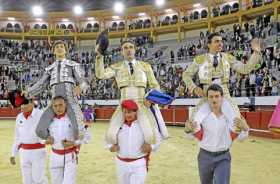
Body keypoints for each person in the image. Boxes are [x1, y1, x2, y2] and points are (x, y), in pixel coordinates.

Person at [95, 40, 168, 146]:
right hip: (124, 104)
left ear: (134, 50)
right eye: (125, 48)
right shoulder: (116, 67)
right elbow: (101, 75)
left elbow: (155, 85)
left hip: (142, 103)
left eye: (130, 47)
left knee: (150, 137)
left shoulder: (145, 66)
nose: (128, 50)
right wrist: (99, 58)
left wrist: (151, 100)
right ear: (121, 52)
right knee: (110, 137)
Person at [183, 32, 261, 119]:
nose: (220, 44)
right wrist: (194, 87)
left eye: (221, 41)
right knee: (193, 123)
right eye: (216, 41)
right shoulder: (200, 59)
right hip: (206, 93)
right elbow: (186, 74)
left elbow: (245, 69)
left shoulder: (228, 57)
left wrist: (256, 53)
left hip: (224, 93)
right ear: (209, 44)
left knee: (237, 120)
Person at [24, 40, 89, 140]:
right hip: (54, 103)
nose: (59, 48)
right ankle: (57, 144)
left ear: (65, 50)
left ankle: (73, 150)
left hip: (70, 101)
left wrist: (80, 87)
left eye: (61, 46)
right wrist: (28, 92)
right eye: (57, 47)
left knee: (78, 130)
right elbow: (41, 84)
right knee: (40, 130)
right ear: (53, 51)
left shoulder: (73, 65)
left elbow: (83, 82)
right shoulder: (49, 69)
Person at [185, 84, 249, 184]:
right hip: (204, 156)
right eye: (211, 97)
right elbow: (190, 137)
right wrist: (188, 130)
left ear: (222, 98)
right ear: (207, 99)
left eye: (216, 96)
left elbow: (241, 138)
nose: (214, 100)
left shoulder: (231, 116)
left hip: (223, 157)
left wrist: (245, 128)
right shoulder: (201, 116)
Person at [108, 100, 161, 184]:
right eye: (125, 112)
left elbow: (158, 137)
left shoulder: (144, 124)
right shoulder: (117, 125)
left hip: (138, 163)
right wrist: (110, 147)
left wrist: (152, 147)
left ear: (135, 112)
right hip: (121, 163)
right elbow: (108, 139)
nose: (127, 115)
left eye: (129, 112)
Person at [43, 96, 91, 184]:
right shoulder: (47, 120)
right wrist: (45, 141)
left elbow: (87, 136)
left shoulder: (74, 119)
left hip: (70, 156)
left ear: (65, 105)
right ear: (52, 107)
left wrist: (74, 143)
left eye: (60, 105)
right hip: (54, 156)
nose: (58, 108)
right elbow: (39, 137)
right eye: (55, 106)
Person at [10, 97, 48, 184]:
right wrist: (13, 153)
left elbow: (46, 133)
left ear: (31, 103)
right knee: (26, 180)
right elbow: (17, 137)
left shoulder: (40, 114)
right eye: (22, 104)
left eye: (25, 104)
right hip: (23, 153)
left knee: (38, 179)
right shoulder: (19, 117)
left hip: (38, 152)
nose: (23, 106)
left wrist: (45, 140)